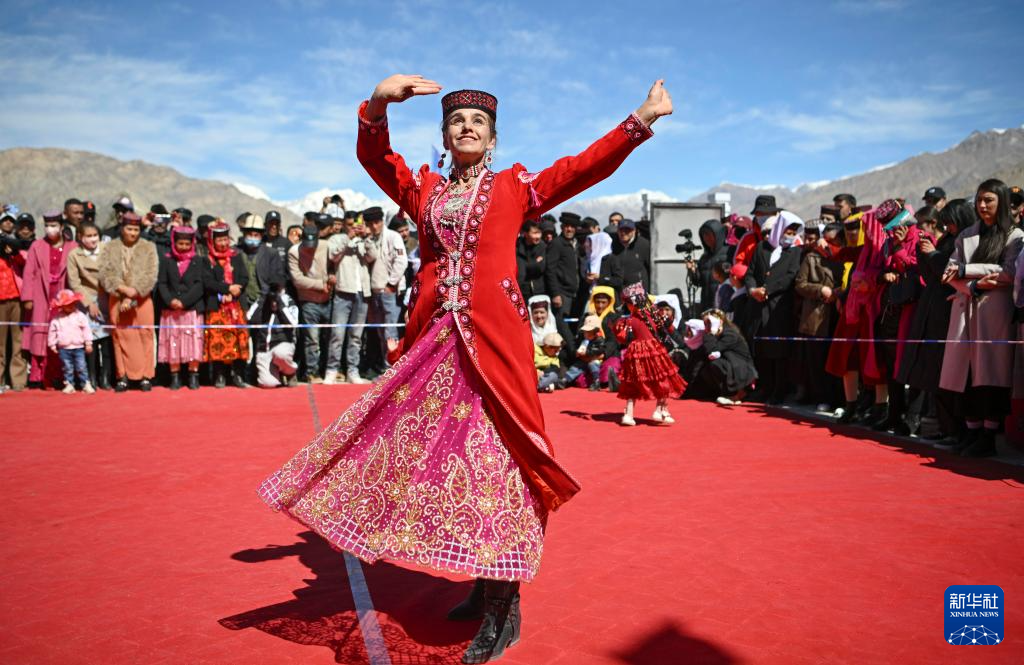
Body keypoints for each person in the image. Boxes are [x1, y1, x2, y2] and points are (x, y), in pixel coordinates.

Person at [259, 74, 672, 665]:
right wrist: (377, 104)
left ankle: (505, 606)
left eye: (478, 122)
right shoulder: (424, 190)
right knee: (448, 466)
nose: (467, 127)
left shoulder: (514, 186)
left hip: (495, 350)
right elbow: (375, 158)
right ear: (445, 135)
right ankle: (484, 583)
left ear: (493, 138)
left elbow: (583, 169)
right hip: (436, 347)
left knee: (497, 467)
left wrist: (641, 119)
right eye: (457, 121)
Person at [939, 180, 1024, 456]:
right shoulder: (967, 234)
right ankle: (971, 432)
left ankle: (988, 436)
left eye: (989, 200)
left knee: (991, 376)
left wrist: (967, 271)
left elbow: (1009, 272)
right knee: (964, 375)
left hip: (994, 313)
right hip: (965, 308)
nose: (983, 205)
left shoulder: (1014, 235)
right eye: (979, 200)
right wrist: (972, 285)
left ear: (1001, 202)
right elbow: (949, 272)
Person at [895, 199, 967, 441]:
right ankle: (944, 428)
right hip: (932, 306)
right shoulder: (947, 239)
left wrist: (932, 254)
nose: (947, 227)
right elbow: (930, 275)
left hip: (949, 309)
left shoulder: (962, 241)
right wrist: (923, 252)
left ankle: (953, 428)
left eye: (949, 222)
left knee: (948, 373)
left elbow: (948, 272)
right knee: (933, 371)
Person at [743, 211, 804, 404]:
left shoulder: (795, 252)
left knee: (778, 352)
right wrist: (753, 290)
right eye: (788, 231)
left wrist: (767, 290)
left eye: (794, 233)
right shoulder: (762, 248)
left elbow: (790, 277)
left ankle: (779, 390)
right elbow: (750, 273)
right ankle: (763, 387)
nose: (791, 236)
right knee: (760, 349)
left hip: (779, 308)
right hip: (757, 307)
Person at [98, 211, 159, 392]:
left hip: (142, 299)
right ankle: (122, 376)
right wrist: (123, 290)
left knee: (145, 335)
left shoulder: (149, 247)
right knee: (120, 336)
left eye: (136, 229)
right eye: (129, 229)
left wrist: (134, 292)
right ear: (122, 228)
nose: (133, 233)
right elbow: (105, 273)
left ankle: (146, 376)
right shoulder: (110, 247)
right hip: (117, 297)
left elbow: (151, 274)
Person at [614, 282, 686, 426]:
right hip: (654, 351)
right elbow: (671, 330)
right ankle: (660, 410)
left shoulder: (628, 321)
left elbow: (622, 338)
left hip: (635, 353)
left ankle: (628, 414)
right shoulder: (655, 315)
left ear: (631, 304)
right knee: (663, 379)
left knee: (632, 383)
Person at [21, 210, 78, 388]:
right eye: (47, 225)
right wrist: (28, 297)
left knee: (62, 335)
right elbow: (29, 273)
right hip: (41, 295)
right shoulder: (37, 246)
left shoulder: (72, 247)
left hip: (63, 297)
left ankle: (62, 376)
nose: (50, 229)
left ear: (61, 227)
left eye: (53, 225)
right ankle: (38, 376)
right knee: (40, 334)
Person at [794, 222, 843, 411]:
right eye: (827, 240)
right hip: (816, 317)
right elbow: (800, 284)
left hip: (838, 314)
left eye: (834, 241)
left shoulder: (845, 257)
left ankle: (841, 399)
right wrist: (820, 290)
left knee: (838, 359)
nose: (829, 244)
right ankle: (822, 397)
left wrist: (839, 293)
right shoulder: (812, 258)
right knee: (817, 361)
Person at [325, 211, 376, 384]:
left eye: (355, 225)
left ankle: (352, 370)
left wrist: (366, 238)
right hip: (343, 291)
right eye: (349, 225)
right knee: (337, 333)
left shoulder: (364, 240)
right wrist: (348, 238)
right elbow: (332, 256)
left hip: (362, 292)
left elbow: (372, 257)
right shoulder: (337, 239)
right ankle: (332, 369)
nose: (353, 228)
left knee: (356, 335)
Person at [201, 221, 251, 388]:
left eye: (225, 239)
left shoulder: (236, 256)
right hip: (217, 308)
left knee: (238, 340)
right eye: (219, 240)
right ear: (212, 241)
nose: (223, 243)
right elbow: (207, 282)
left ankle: (238, 375)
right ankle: (219, 375)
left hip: (236, 307)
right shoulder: (207, 259)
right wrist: (227, 289)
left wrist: (236, 290)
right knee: (218, 341)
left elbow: (244, 277)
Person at [156, 226, 206, 390]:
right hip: (171, 310)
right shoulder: (166, 260)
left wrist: (184, 301)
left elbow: (199, 285)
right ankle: (175, 376)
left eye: (187, 244)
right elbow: (162, 283)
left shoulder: (198, 261)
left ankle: (193, 375)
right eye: (180, 243)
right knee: (173, 342)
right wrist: (170, 300)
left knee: (193, 342)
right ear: (174, 242)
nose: (183, 247)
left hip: (191, 309)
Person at [66, 222, 114, 390]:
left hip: (107, 298)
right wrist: (89, 303)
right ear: (80, 237)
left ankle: (106, 377)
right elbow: (75, 283)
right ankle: (91, 378)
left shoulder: (107, 250)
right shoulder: (74, 255)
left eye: (95, 235)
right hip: (86, 300)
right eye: (89, 236)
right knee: (90, 342)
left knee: (107, 341)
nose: (93, 239)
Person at [365, 205, 408, 374]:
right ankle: (386, 367)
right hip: (375, 292)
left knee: (391, 331)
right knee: (381, 332)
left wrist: (391, 284)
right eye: (371, 224)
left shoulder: (393, 236)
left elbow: (401, 261)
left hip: (389, 291)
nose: (374, 226)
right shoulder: (370, 239)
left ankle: (393, 370)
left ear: (382, 221)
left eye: (377, 222)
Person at [288, 224, 333, 383]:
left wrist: (332, 277)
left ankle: (326, 369)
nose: (310, 249)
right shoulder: (294, 252)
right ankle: (311, 372)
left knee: (328, 337)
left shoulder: (326, 246)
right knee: (312, 339)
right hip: (308, 301)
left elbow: (334, 265)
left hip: (327, 300)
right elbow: (298, 280)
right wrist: (321, 285)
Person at [683, 309, 756, 404]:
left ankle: (736, 394)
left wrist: (710, 333)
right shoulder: (716, 333)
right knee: (706, 367)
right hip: (732, 366)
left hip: (743, 371)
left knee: (716, 363)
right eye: (705, 323)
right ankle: (723, 393)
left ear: (720, 321)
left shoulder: (729, 333)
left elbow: (711, 350)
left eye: (709, 323)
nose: (707, 326)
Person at [247, 290, 300, 388]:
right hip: (264, 349)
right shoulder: (261, 301)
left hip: (283, 344)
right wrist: (262, 301)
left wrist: (280, 305)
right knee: (268, 384)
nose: (273, 303)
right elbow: (249, 318)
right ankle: (277, 374)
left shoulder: (288, 300)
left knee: (280, 353)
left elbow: (293, 323)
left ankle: (290, 372)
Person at [47, 289, 93, 394]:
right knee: (67, 368)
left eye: (72, 303)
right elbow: (52, 332)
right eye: (67, 305)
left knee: (81, 366)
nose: (71, 306)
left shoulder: (80, 316)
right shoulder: (57, 319)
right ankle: (69, 384)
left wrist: (88, 343)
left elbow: (86, 330)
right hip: (64, 349)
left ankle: (86, 384)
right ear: (62, 306)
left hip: (78, 347)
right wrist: (52, 345)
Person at [0, 217, 27, 391]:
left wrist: (14, 252)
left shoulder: (14, 250)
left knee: (18, 341)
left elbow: (25, 263)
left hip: (17, 299)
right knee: (0, 344)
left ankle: (18, 381)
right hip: (0, 301)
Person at [545, 211, 581, 324]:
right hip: (562, 294)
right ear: (561, 227)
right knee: (561, 325)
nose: (569, 229)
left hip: (574, 294)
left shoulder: (576, 244)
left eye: (572, 226)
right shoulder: (556, 244)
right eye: (566, 226)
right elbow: (550, 270)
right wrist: (555, 294)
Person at [686, 218, 729, 311]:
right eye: (704, 235)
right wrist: (692, 270)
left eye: (709, 234)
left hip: (723, 305)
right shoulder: (704, 257)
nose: (706, 238)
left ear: (718, 235)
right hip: (706, 306)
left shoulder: (729, 253)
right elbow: (699, 282)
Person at [599, 219, 651, 293]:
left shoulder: (644, 244)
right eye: (621, 230)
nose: (623, 233)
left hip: (637, 292)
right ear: (617, 231)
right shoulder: (611, 244)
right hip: (616, 291)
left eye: (627, 230)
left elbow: (650, 268)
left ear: (634, 231)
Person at [564, 314, 605, 390]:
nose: (586, 334)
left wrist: (587, 352)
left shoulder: (599, 340)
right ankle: (565, 380)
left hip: (595, 360)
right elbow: (576, 346)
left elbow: (600, 350)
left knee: (593, 364)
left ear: (596, 331)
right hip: (583, 359)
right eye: (585, 331)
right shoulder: (582, 338)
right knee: (576, 366)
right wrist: (577, 352)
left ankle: (596, 381)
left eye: (589, 331)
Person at [516, 219, 547, 299]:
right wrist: (534, 263)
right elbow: (520, 271)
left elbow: (541, 268)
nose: (538, 236)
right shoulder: (517, 247)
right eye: (534, 233)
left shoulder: (542, 247)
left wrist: (526, 266)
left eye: (539, 233)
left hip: (539, 290)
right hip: (521, 290)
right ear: (526, 234)